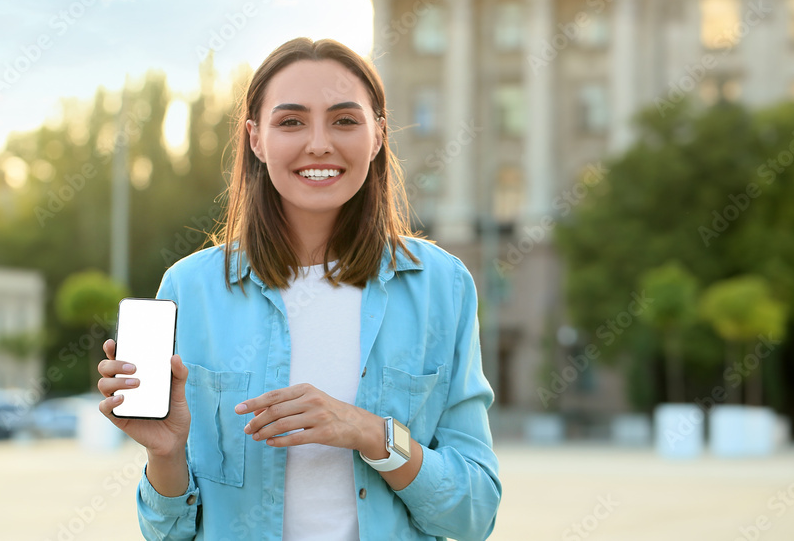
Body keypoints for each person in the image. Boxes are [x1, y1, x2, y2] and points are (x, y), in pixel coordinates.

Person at [97, 37, 502, 540]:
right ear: (255, 138)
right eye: (291, 121)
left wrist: (369, 433)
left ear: (377, 136)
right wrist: (165, 453)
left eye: (344, 120)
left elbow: (473, 514)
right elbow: (166, 534)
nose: (319, 144)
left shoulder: (442, 286)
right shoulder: (190, 288)